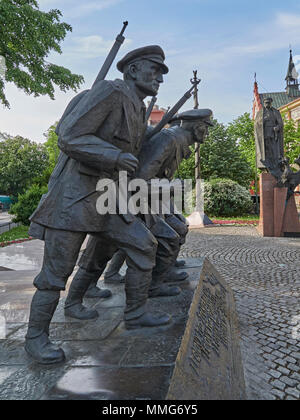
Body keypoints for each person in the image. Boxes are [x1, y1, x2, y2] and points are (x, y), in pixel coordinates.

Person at [24, 45, 203, 364]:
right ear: (132, 70)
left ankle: (135, 313)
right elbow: (68, 135)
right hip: (75, 199)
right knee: (55, 274)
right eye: (154, 69)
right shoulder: (110, 91)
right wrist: (114, 156)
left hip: (108, 198)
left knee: (143, 244)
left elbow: (142, 141)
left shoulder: (136, 106)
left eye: (162, 73)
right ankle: (36, 337)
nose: (159, 78)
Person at [255, 97, 284, 170]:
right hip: (263, 133)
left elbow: (280, 123)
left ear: (271, 103)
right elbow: (256, 124)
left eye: (268, 103)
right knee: (266, 149)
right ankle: (266, 164)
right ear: (264, 103)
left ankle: (275, 163)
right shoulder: (260, 113)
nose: (267, 104)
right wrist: (262, 122)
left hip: (273, 133)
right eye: (266, 103)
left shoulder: (275, 112)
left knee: (274, 149)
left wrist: (277, 127)